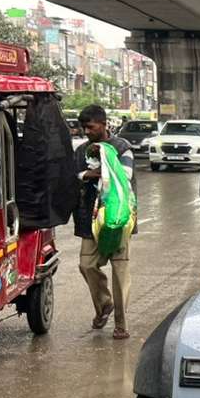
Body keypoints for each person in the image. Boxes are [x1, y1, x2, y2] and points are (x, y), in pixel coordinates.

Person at [74, 104, 135, 340]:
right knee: (87, 265)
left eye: (90, 127)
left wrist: (105, 167)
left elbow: (126, 176)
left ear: (103, 124)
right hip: (89, 220)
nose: (87, 131)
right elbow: (74, 175)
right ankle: (104, 305)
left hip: (117, 218)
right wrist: (88, 174)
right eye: (84, 127)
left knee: (120, 272)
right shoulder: (81, 151)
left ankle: (122, 325)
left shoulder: (122, 148)